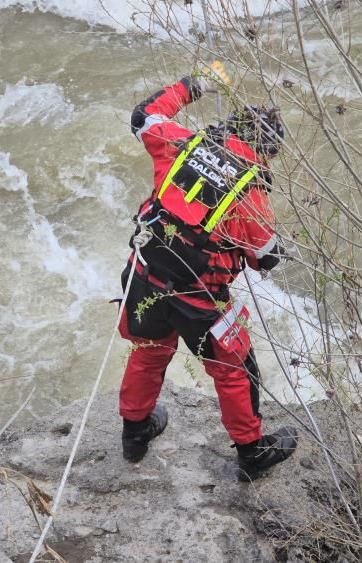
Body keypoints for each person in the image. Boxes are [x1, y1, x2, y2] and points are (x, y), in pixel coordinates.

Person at [117, 63, 297, 481]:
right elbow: (265, 257)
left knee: (148, 352)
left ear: (230, 126)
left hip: (143, 274)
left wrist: (197, 84)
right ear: (269, 151)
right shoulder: (252, 194)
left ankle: (135, 434)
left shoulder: (179, 144)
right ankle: (252, 453)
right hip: (200, 300)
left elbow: (143, 116)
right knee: (236, 370)